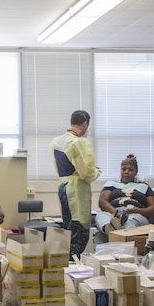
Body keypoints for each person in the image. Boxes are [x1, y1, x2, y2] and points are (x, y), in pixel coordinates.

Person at [51, 110, 101, 259]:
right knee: (79, 230)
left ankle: (66, 264)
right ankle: (74, 265)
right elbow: (86, 172)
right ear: (85, 124)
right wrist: (96, 172)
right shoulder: (79, 143)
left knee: (67, 228)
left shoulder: (56, 142)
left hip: (63, 187)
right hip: (77, 190)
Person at [94, 154, 154, 245]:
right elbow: (102, 202)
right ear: (120, 170)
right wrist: (116, 212)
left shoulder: (144, 186)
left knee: (129, 224)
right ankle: (109, 229)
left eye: (131, 170)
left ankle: (119, 235)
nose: (126, 172)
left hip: (136, 214)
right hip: (113, 213)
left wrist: (138, 210)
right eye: (124, 169)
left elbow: (153, 208)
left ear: (135, 172)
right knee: (101, 216)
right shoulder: (111, 184)